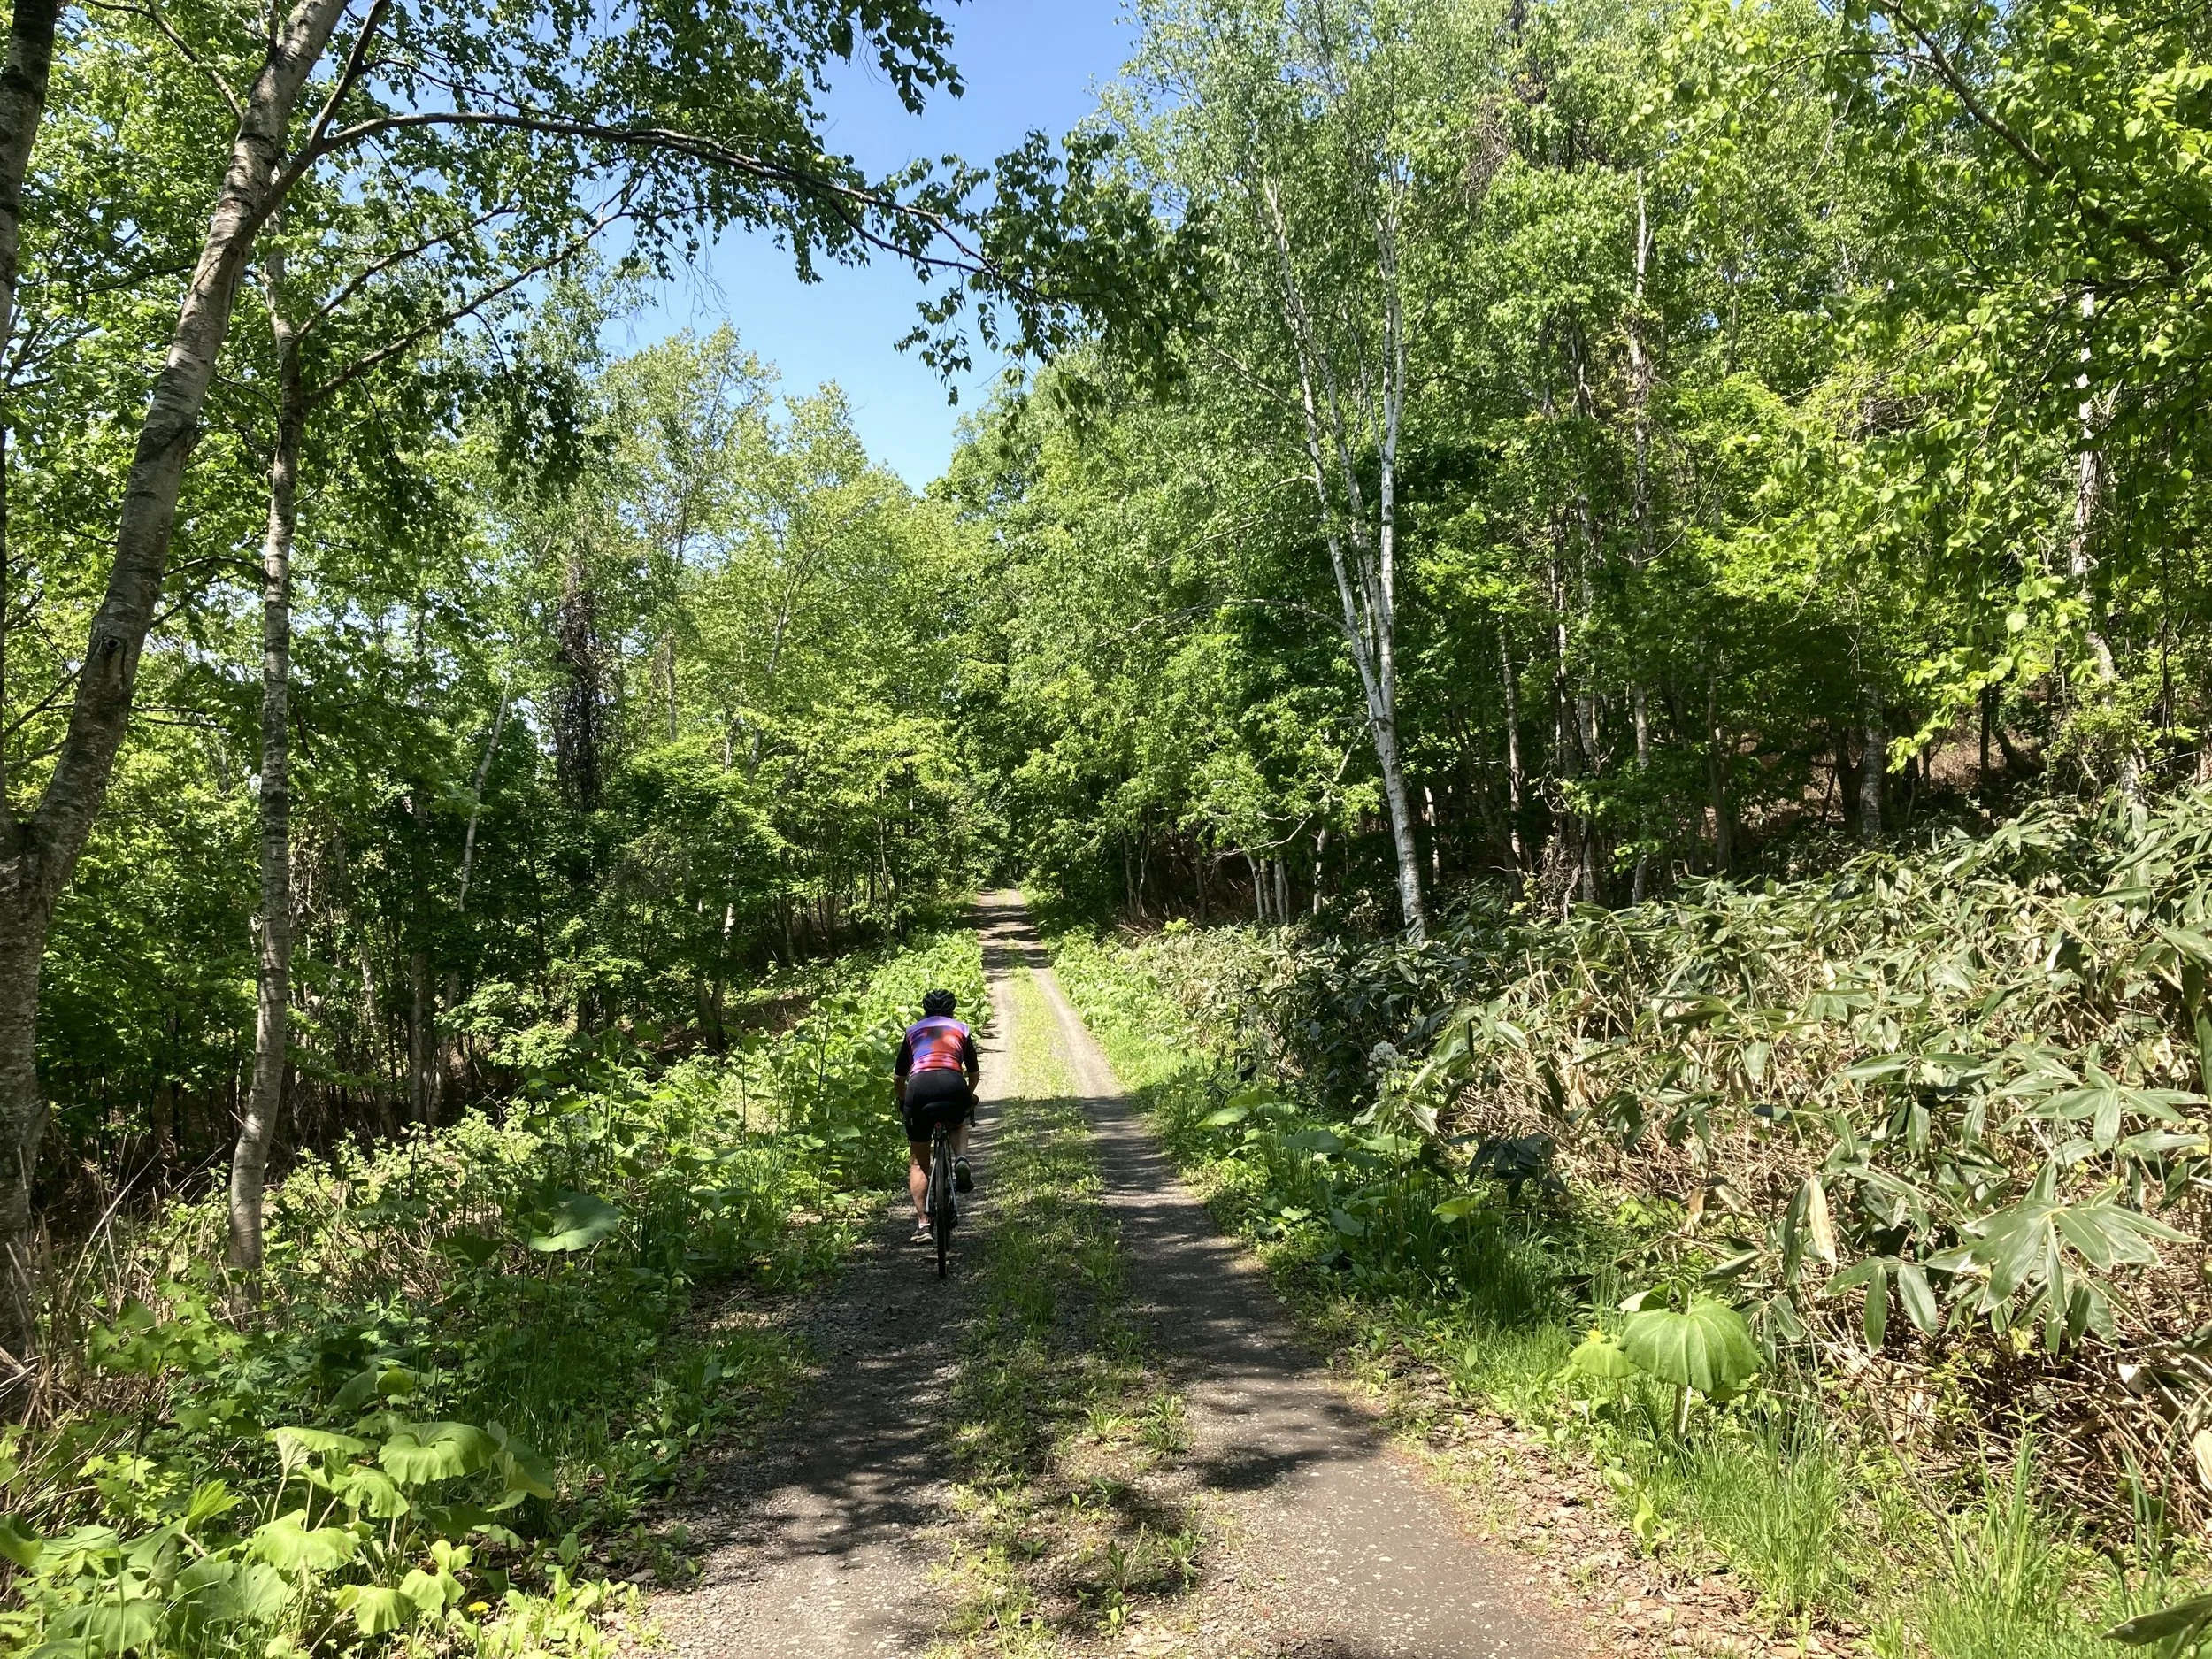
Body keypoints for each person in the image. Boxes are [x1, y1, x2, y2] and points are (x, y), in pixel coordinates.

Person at [895, 987, 978, 1241]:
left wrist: (903, 1101)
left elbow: (899, 1078)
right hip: (953, 1083)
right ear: (952, 1012)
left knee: (919, 1162)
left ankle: (922, 1225)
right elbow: (973, 1073)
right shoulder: (961, 1029)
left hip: (918, 1087)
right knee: (958, 1122)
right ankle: (961, 1158)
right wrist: (969, 1097)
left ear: (925, 1011)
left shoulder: (912, 1031)